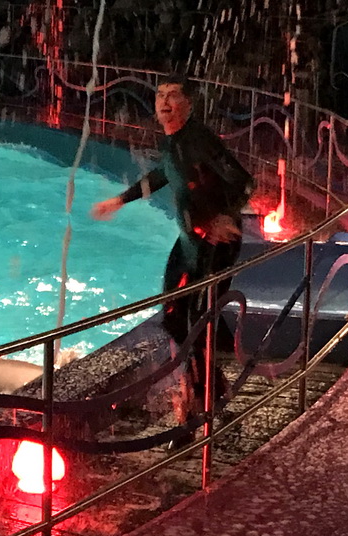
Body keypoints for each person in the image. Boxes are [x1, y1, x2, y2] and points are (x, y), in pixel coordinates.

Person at [91, 75, 252, 439]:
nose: (164, 102)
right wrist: (120, 200)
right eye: (160, 95)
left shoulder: (197, 139)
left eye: (174, 96)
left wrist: (221, 217)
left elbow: (243, 181)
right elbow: (164, 174)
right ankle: (215, 395)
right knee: (176, 320)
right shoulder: (174, 141)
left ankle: (194, 415)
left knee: (195, 325)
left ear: (189, 104)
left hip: (215, 246)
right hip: (189, 243)